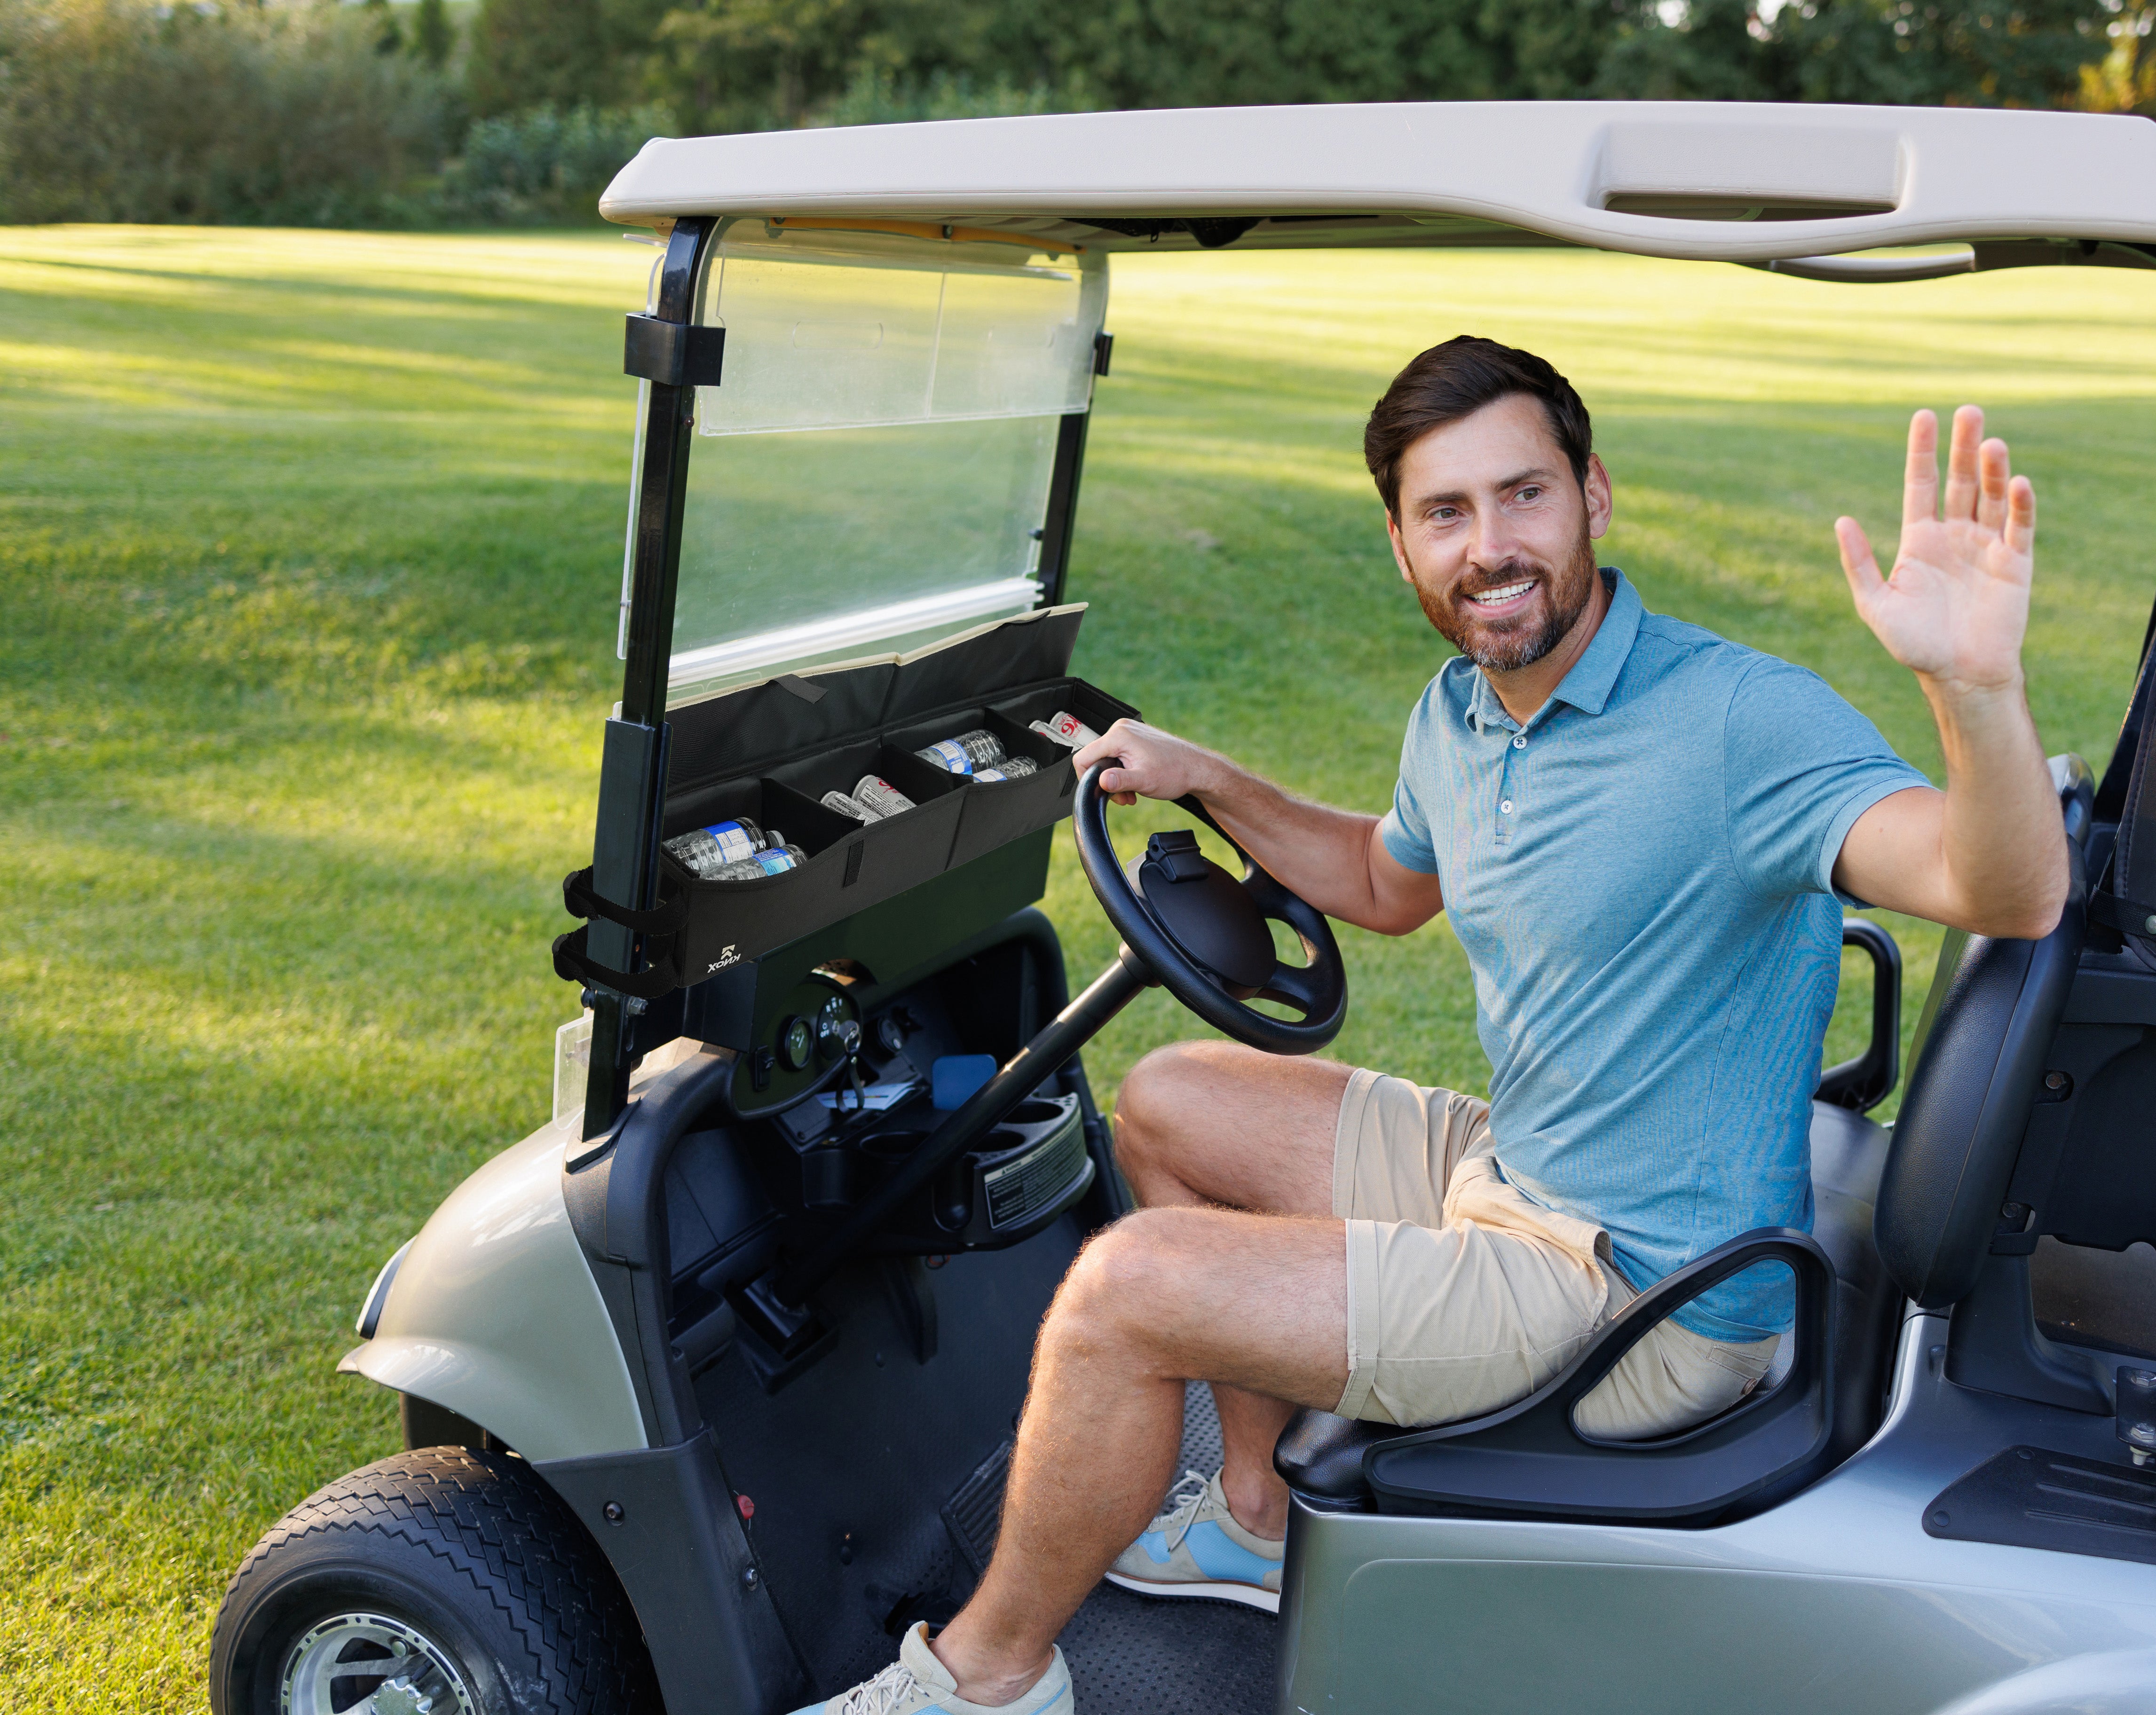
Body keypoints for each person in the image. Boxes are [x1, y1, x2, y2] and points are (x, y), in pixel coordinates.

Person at [799, 336, 2069, 1715]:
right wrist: (1202, 777)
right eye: (1446, 513)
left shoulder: (1737, 722)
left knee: (1123, 1296)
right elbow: (1386, 884)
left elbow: (1995, 887)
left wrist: (1974, 689)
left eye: (1524, 495)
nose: (1492, 548)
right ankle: (1257, 1522)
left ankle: (985, 1678)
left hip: (1641, 1298)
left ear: (1594, 495)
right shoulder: (1465, 713)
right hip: (1518, 1178)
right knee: (1170, 1100)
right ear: (1403, 541)